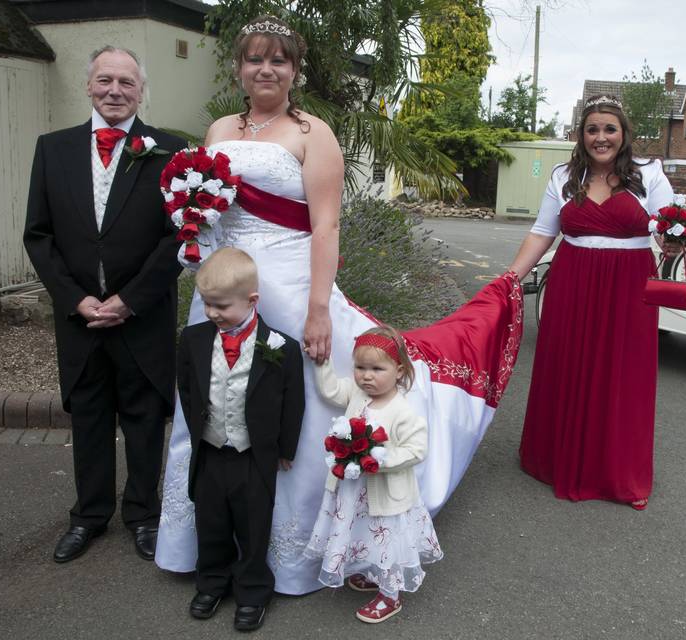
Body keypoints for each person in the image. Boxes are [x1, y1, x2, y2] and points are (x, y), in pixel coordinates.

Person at [156, 15, 523, 595]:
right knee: (210, 402)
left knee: (292, 415)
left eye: (279, 60)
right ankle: (207, 545)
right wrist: (193, 236)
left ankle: (289, 553)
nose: (266, 69)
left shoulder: (312, 133)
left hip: (288, 284)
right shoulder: (220, 126)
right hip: (222, 284)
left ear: (294, 71)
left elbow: (326, 227)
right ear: (238, 68)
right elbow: (210, 209)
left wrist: (320, 308)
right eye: (255, 59)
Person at [24, 46, 185, 562]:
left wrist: (129, 300)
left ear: (141, 90)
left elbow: (179, 235)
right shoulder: (52, 149)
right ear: (88, 85)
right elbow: (39, 234)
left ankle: (143, 514)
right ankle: (89, 516)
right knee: (89, 415)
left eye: (126, 83)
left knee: (142, 417)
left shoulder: (170, 150)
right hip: (80, 319)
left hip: (142, 314)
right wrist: (76, 299)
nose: (115, 91)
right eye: (105, 80)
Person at [508, 94, 677, 509]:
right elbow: (541, 233)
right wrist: (510, 279)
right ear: (581, 136)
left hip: (629, 286)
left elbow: (667, 225)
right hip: (573, 279)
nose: (601, 137)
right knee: (568, 363)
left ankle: (614, 470)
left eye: (609, 129)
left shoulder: (649, 175)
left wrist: (672, 238)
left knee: (622, 372)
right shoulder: (564, 175)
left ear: (623, 134)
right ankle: (556, 458)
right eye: (592, 129)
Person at [177, 248, 304, 631]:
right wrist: (201, 432)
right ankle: (212, 581)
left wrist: (285, 448)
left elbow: (293, 402)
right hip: (212, 451)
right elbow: (187, 388)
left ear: (252, 300)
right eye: (206, 304)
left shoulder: (283, 347)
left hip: (253, 456)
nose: (212, 313)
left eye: (220, 306)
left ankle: (252, 590)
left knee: (253, 526)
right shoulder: (194, 339)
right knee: (210, 521)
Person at [304, 326, 442, 624]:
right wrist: (322, 362)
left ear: (398, 370)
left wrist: (379, 459)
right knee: (363, 531)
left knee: (386, 539)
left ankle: (390, 594)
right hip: (354, 489)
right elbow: (330, 390)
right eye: (360, 367)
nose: (366, 376)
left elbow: (416, 450)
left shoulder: (402, 411)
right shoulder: (357, 393)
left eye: (377, 369)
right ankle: (375, 573)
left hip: (385, 492)